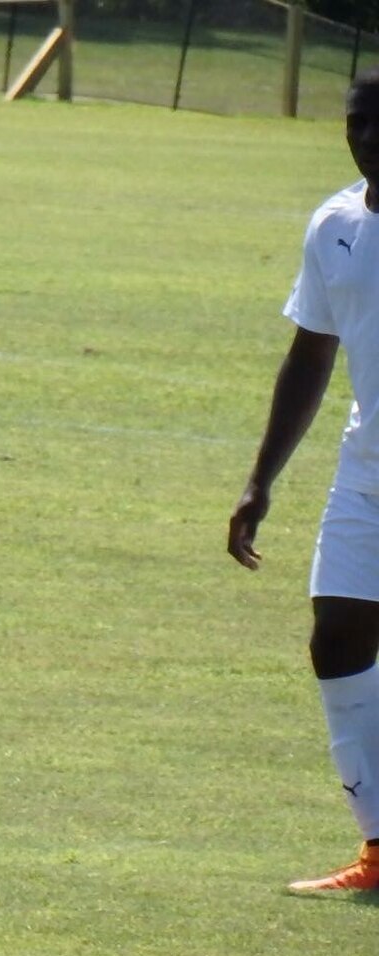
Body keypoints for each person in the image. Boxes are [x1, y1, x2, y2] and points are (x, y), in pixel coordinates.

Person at [231, 69, 379, 894]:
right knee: (338, 641)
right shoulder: (334, 225)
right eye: (359, 123)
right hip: (366, 479)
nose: (370, 138)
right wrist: (262, 481)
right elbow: (311, 353)